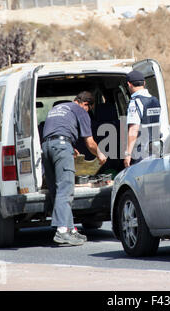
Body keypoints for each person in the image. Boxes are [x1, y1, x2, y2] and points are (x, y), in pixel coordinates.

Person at [41, 91, 107, 246]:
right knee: (66, 190)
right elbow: (89, 143)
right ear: (86, 104)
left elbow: (57, 131)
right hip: (61, 148)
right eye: (89, 109)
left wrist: (69, 147)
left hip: (46, 148)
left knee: (57, 191)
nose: (87, 111)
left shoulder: (57, 109)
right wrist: (100, 154)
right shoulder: (80, 111)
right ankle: (62, 231)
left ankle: (70, 229)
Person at [124, 70, 161, 168]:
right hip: (156, 150)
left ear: (129, 84)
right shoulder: (155, 100)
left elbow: (133, 130)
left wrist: (128, 154)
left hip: (140, 152)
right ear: (144, 83)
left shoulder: (135, 102)